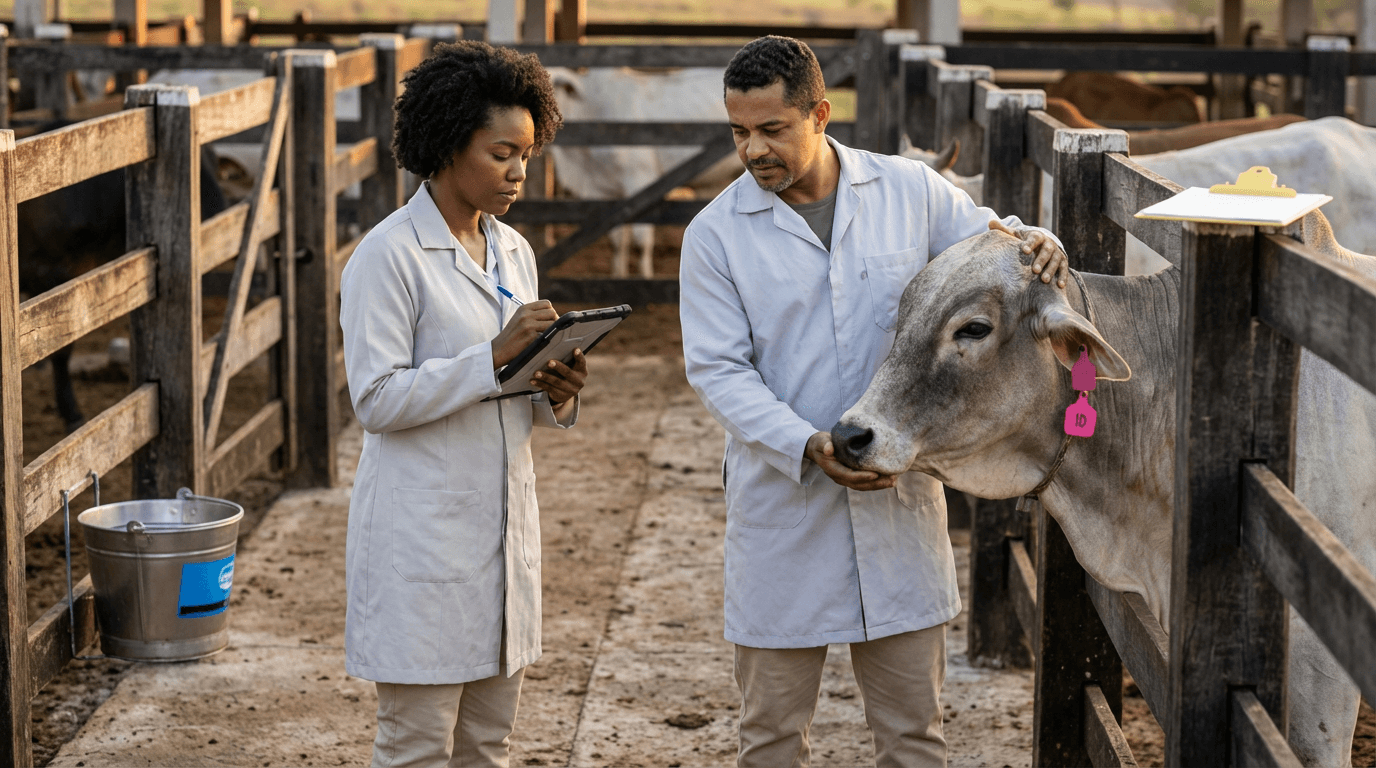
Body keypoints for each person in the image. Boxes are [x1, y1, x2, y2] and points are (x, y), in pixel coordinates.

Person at [679, 36, 1069, 768]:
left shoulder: (910, 192)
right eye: (738, 132)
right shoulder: (713, 238)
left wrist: (1039, 242)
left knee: (914, 737)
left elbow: (993, 247)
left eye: (772, 129)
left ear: (820, 114)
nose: (752, 149)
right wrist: (807, 443)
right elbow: (718, 371)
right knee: (768, 738)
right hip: (783, 503)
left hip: (898, 505)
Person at [338, 42, 587, 768]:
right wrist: (495, 356)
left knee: (488, 743)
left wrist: (556, 393)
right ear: (447, 144)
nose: (518, 172)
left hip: (502, 533)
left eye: (528, 154)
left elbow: (513, 392)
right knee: (415, 746)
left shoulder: (513, 249)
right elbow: (376, 399)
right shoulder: (387, 257)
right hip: (421, 542)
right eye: (501, 152)